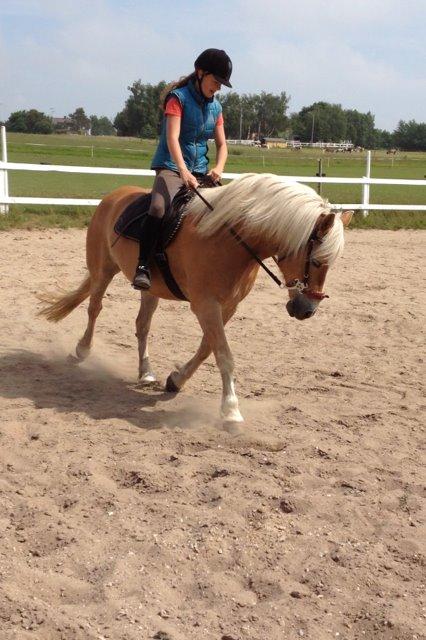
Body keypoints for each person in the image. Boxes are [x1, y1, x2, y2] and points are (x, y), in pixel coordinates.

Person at [132, 48, 233, 290]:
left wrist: (218, 167)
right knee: (157, 208)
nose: (218, 87)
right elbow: (172, 139)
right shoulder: (177, 99)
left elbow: (222, 145)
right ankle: (143, 265)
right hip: (171, 167)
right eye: (216, 81)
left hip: (201, 170)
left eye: (221, 84)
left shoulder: (216, 108)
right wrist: (183, 171)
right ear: (200, 73)